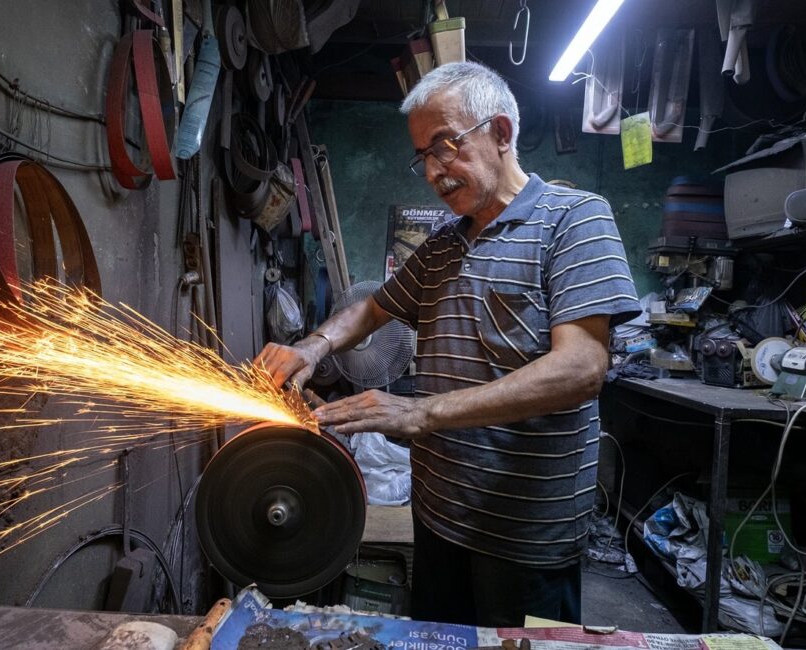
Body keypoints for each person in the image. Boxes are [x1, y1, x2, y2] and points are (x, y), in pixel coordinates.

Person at [254, 61, 641, 627]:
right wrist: (314, 345)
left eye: (445, 147)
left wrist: (422, 411)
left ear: (502, 133)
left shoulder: (576, 220)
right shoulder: (441, 246)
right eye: (423, 158)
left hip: (526, 532)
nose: (434, 171)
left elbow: (582, 367)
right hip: (437, 518)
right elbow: (373, 306)